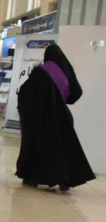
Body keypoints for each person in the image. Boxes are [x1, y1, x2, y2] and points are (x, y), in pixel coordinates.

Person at [16, 44, 95, 191]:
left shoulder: (41, 70)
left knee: (37, 146)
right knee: (63, 147)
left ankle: (33, 177)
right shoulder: (66, 71)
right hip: (62, 117)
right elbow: (76, 93)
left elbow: (26, 92)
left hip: (40, 118)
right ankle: (64, 179)